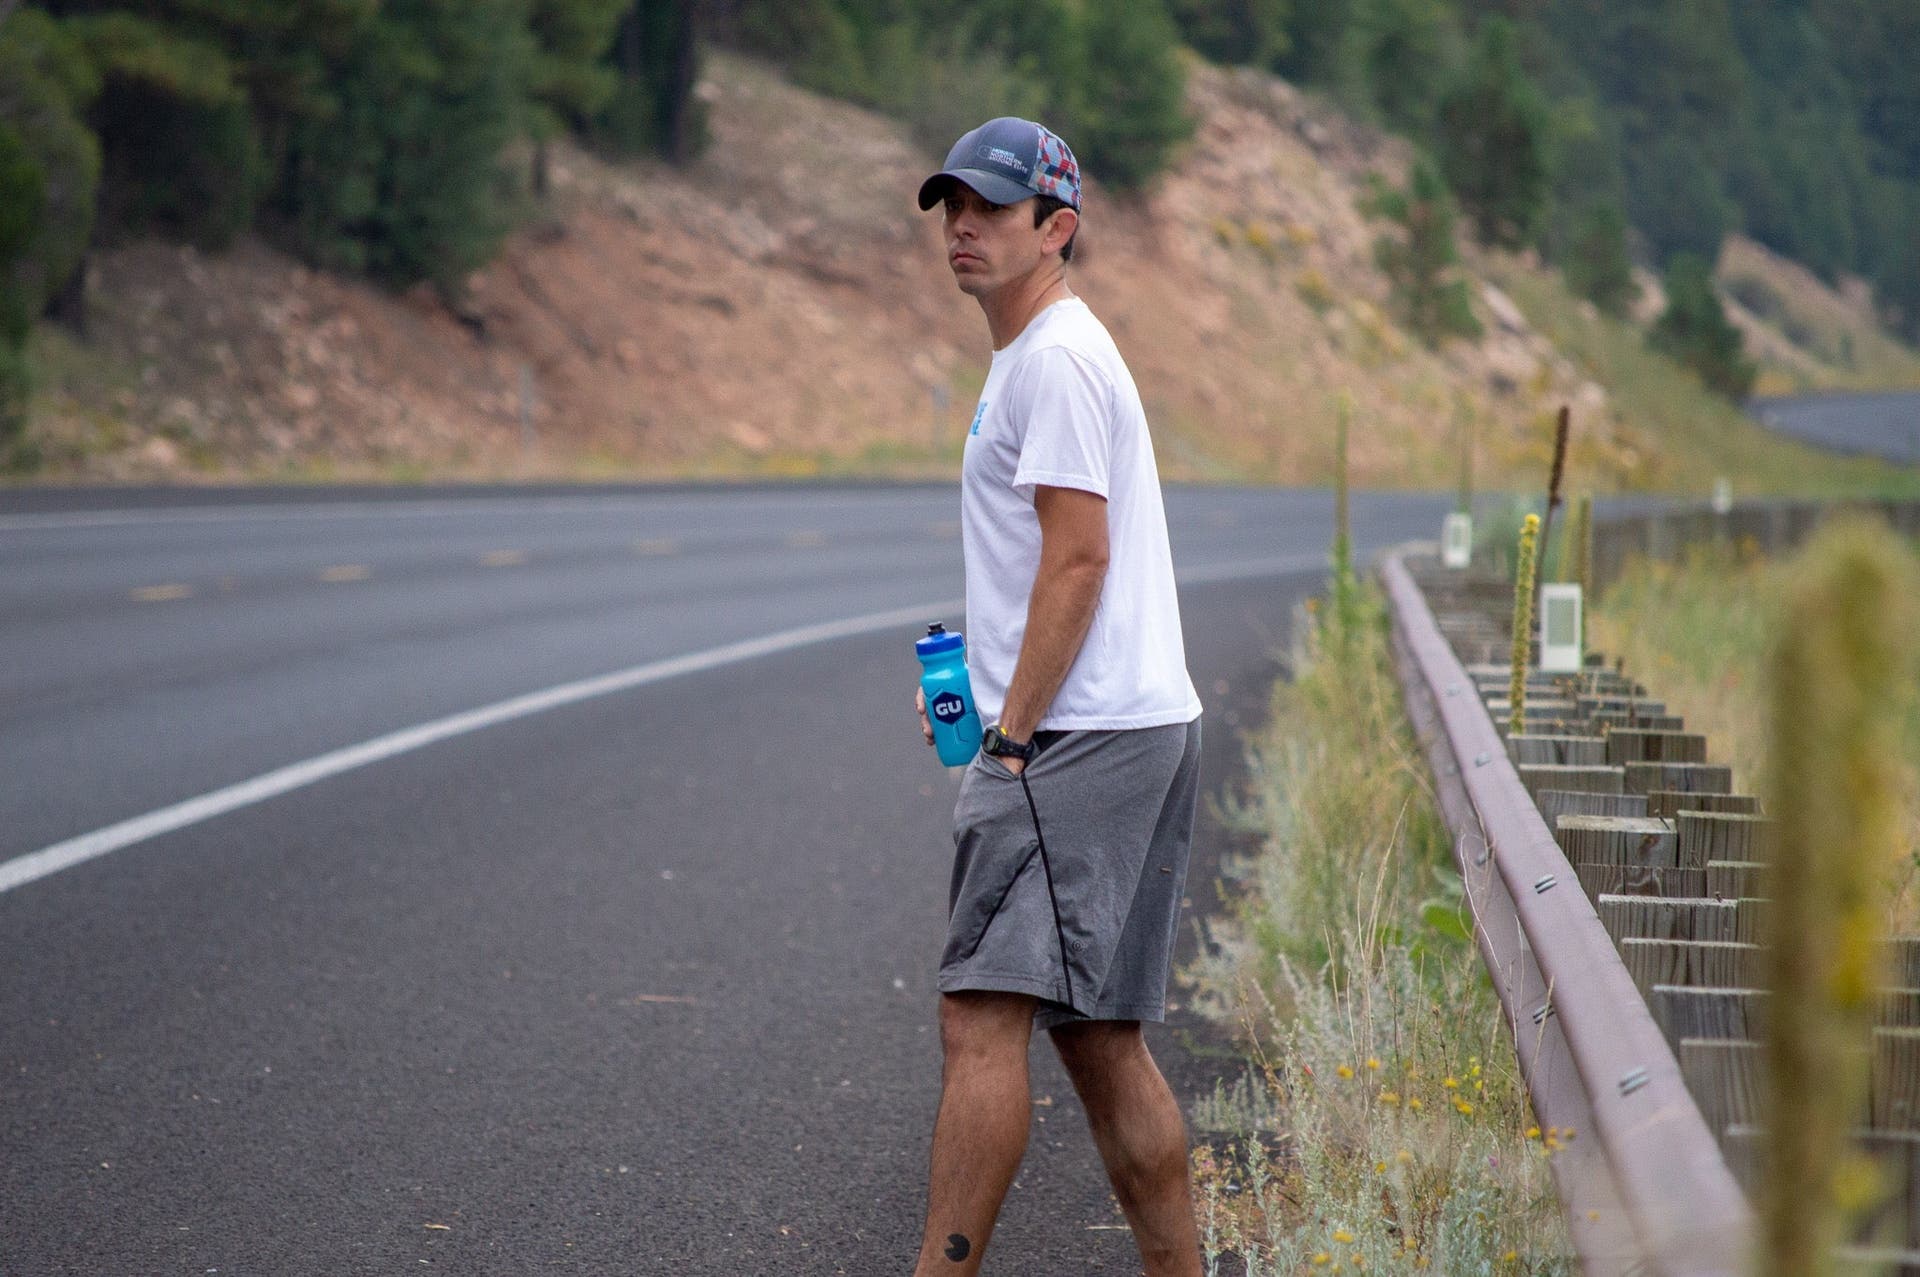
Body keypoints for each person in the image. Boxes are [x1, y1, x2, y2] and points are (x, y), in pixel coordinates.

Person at [909, 117, 1205, 1277]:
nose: (962, 224)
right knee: (1099, 1038)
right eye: (951, 205)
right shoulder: (1034, 356)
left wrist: (1012, 740)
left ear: (1058, 226)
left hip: (1074, 741)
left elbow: (1079, 558)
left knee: (978, 1018)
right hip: (1131, 723)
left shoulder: (1060, 361)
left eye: (989, 205)